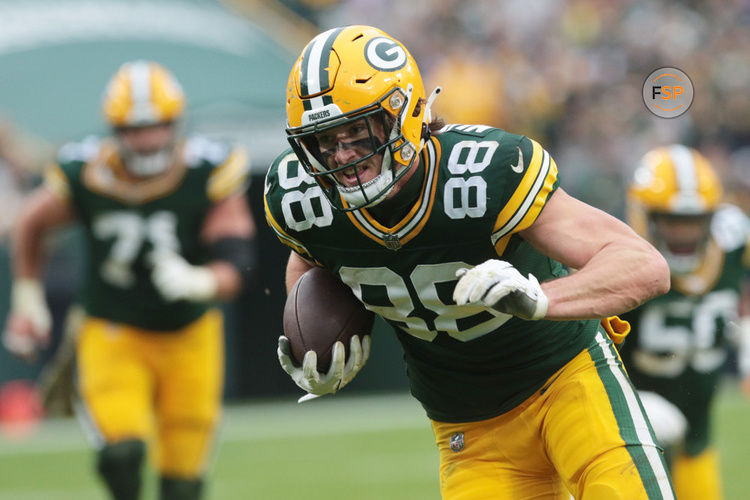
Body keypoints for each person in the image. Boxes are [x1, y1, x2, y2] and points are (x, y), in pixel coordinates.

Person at [264, 25, 674, 499]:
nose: (343, 157)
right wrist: (313, 342)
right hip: (469, 426)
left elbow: (643, 264)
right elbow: (309, 260)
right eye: (324, 142)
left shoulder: (481, 171)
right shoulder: (302, 200)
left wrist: (541, 297)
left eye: (356, 132)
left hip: (567, 379)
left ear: (405, 114)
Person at [2, 60, 256, 500]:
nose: (148, 139)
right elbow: (30, 223)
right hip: (113, 331)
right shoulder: (87, 171)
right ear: (115, 128)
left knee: (182, 482)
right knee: (122, 452)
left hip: (190, 335)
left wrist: (201, 281)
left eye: (157, 126)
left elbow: (236, 262)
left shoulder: (207, 171)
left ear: (175, 123)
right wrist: (26, 299)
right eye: (135, 128)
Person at [619, 145, 750, 500]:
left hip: (697, 433)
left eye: (695, 221)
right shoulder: (618, 254)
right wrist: (631, 403)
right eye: (671, 220)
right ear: (644, 215)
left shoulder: (734, 239)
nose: (685, 234)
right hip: (624, 436)